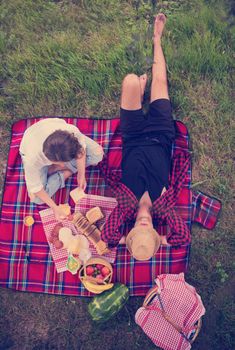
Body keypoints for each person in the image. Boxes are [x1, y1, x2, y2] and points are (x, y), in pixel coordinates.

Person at [99, 14, 191, 259]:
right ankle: (157, 38)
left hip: (133, 135)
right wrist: (161, 241)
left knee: (129, 81)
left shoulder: (125, 207)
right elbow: (183, 238)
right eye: (146, 233)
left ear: (130, 232)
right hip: (161, 133)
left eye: (135, 233)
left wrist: (123, 240)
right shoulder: (164, 208)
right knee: (160, 81)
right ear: (152, 230)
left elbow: (107, 238)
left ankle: (138, 95)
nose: (142, 226)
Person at [19, 118, 103, 220]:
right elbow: (36, 188)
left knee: (98, 154)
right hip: (32, 145)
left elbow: (81, 150)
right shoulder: (32, 159)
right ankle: (62, 172)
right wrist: (55, 207)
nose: (63, 165)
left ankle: (62, 170)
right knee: (37, 198)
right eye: (61, 163)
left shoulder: (71, 133)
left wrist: (81, 174)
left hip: (55, 137)